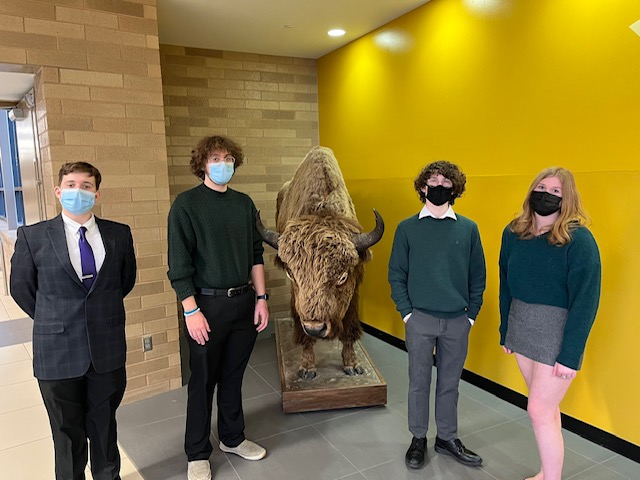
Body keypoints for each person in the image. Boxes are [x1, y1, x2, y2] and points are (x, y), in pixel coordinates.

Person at [10, 162, 137, 480]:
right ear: (58, 191)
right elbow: (22, 290)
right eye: (70, 184)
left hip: (105, 350)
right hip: (57, 352)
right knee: (66, 436)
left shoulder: (118, 235)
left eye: (85, 185)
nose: (77, 191)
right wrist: (55, 318)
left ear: (96, 193)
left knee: (105, 428)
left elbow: (124, 281)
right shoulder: (33, 237)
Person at [167, 135, 269, 480]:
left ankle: (232, 437)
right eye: (215, 158)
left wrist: (262, 298)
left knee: (233, 376)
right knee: (203, 380)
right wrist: (191, 311)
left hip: (243, 303)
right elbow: (179, 266)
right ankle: (197, 452)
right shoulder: (186, 205)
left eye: (228, 158)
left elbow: (256, 255)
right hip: (206, 306)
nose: (222, 163)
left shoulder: (243, 204)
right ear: (202, 164)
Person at [499, 167, 601, 480]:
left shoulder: (579, 240)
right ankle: (547, 472)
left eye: (556, 192)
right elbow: (505, 281)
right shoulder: (513, 232)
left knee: (538, 410)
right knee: (547, 409)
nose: (546, 194)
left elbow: (586, 300)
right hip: (521, 325)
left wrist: (570, 354)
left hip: (556, 332)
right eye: (542, 187)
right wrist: (506, 330)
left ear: (567, 199)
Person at [388, 160, 486, 470]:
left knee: (449, 383)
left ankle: (447, 437)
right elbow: (396, 274)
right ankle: (419, 438)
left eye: (446, 181)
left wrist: (470, 316)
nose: (439, 185)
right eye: (433, 180)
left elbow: (478, 276)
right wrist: (407, 314)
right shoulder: (407, 228)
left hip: (457, 320)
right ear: (421, 187)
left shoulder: (468, 229)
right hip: (420, 320)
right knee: (419, 381)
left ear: (455, 188)